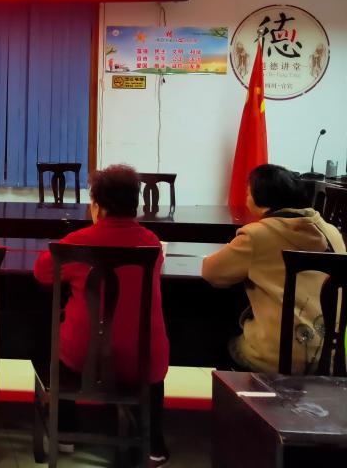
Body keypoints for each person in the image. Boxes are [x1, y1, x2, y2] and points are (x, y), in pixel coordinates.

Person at [34, 164, 170, 467]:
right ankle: (154, 443)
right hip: (142, 360)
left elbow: (42, 272)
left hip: (85, 357)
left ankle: (65, 431)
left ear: (96, 205)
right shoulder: (151, 242)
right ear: (135, 204)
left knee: (50, 333)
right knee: (148, 355)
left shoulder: (76, 242)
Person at [203, 163, 345, 373]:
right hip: (332, 359)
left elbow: (212, 273)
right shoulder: (332, 232)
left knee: (213, 336)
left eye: (248, 193)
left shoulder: (257, 235)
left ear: (261, 198)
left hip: (274, 359)